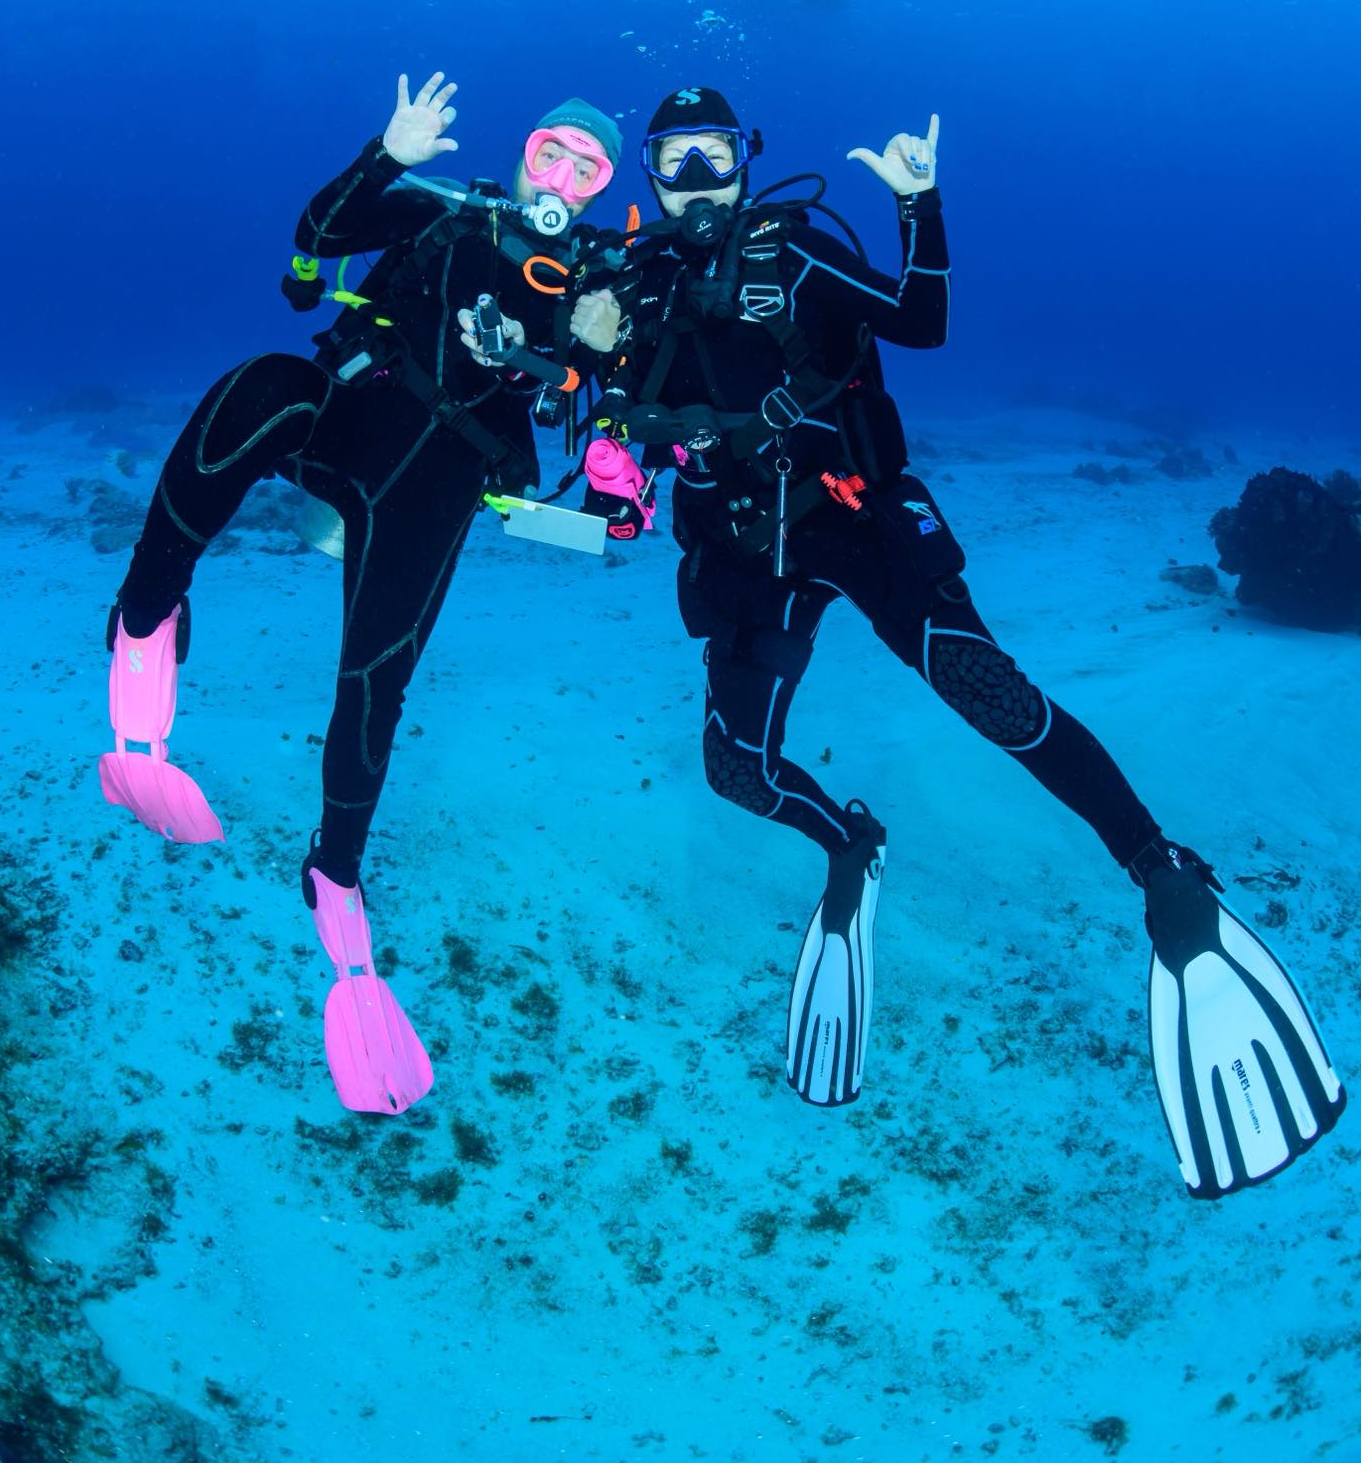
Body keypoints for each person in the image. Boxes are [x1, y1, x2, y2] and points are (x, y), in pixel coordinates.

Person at [569, 85, 1346, 1199]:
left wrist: (920, 207)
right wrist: (605, 461)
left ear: (745, 160)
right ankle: (851, 844)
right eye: (672, 160)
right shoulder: (629, 289)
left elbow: (918, 321)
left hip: (851, 514)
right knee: (736, 769)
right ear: (647, 174)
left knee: (987, 691)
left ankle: (1157, 868)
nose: (695, 179)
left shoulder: (795, 257)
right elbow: (607, 434)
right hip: (740, 550)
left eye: (713, 155)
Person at [99, 71, 621, 1116]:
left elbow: (635, 407)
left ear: (604, 187)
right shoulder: (444, 209)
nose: (562, 173)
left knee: (374, 681)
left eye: (587, 165)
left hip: (437, 483)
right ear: (522, 152)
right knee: (259, 383)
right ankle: (144, 617)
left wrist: (610, 378)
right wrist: (389, 151)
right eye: (550, 150)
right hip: (344, 425)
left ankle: (335, 874)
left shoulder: (600, 276)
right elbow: (317, 229)